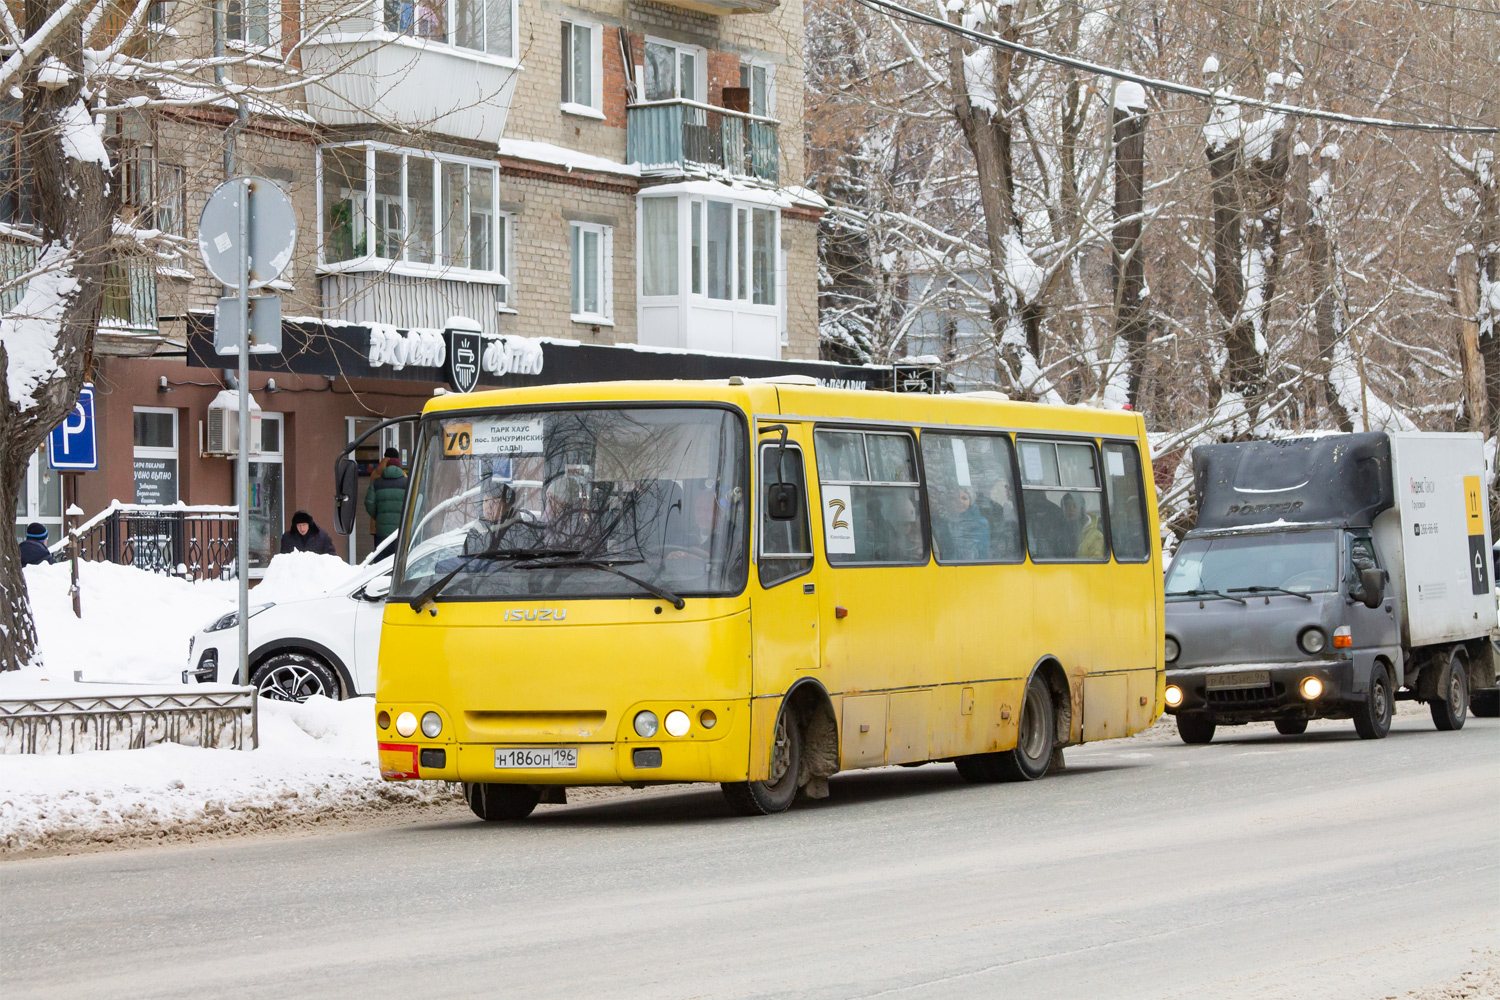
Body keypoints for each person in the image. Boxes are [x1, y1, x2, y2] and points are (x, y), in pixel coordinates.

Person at [365, 447, 408, 548]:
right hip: (399, 527)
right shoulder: (404, 477)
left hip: (380, 526)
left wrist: (379, 516)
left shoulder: (375, 474)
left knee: (381, 557)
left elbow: (369, 502)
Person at [935, 487, 991, 561]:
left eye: (964, 498)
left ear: (970, 501)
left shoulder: (980, 523)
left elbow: (983, 552)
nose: (959, 501)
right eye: (955, 499)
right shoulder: (944, 522)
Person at [1061, 493, 1104, 560]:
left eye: (1075, 506)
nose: (1071, 509)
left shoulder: (1096, 535)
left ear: (1082, 510)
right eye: (1067, 506)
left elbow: (1096, 564)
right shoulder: (1059, 530)